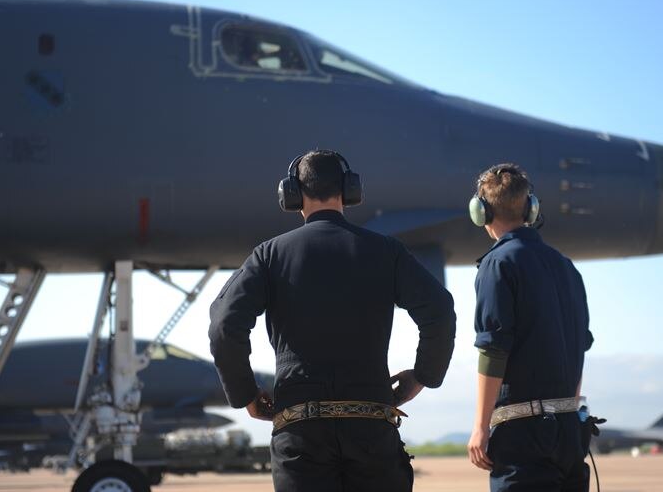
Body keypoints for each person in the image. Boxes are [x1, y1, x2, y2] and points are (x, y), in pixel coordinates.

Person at [208, 149, 456, 492]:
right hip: (371, 427)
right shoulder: (387, 251)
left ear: (292, 195)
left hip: (301, 432)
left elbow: (224, 325)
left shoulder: (268, 256)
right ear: (349, 190)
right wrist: (424, 375)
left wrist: (245, 393)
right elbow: (439, 310)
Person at [465, 164, 594, 492]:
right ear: (530, 208)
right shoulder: (567, 267)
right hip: (569, 430)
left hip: (524, 437)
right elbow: (578, 346)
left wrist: (480, 427)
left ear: (482, 212)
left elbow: (494, 349)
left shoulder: (497, 264)